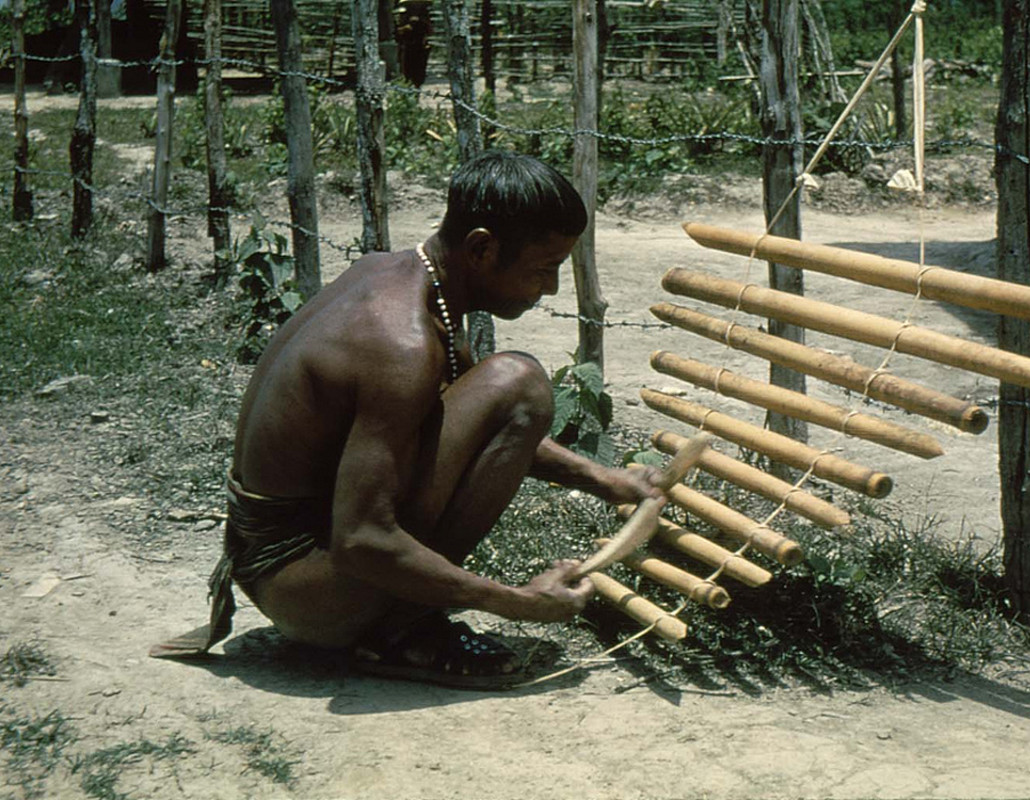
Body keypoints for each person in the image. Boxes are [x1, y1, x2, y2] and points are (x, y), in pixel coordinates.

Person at [152, 151, 662, 688]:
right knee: (520, 382)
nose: (552, 288)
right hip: (306, 586)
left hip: (288, 560)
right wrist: (518, 602)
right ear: (482, 248)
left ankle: (394, 621)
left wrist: (606, 480)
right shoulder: (401, 345)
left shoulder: (399, 276)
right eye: (543, 268)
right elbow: (361, 540)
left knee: (512, 386)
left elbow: (474, 423)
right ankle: (398, 631)